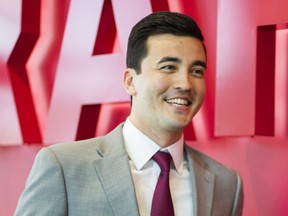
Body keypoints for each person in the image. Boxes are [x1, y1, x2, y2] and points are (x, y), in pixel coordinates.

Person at [15, 11, 243, 216]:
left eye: (196, 71)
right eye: (169, 67)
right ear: (130, 81)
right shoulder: (63, 167)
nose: (185, 83)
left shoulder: (226, 184)